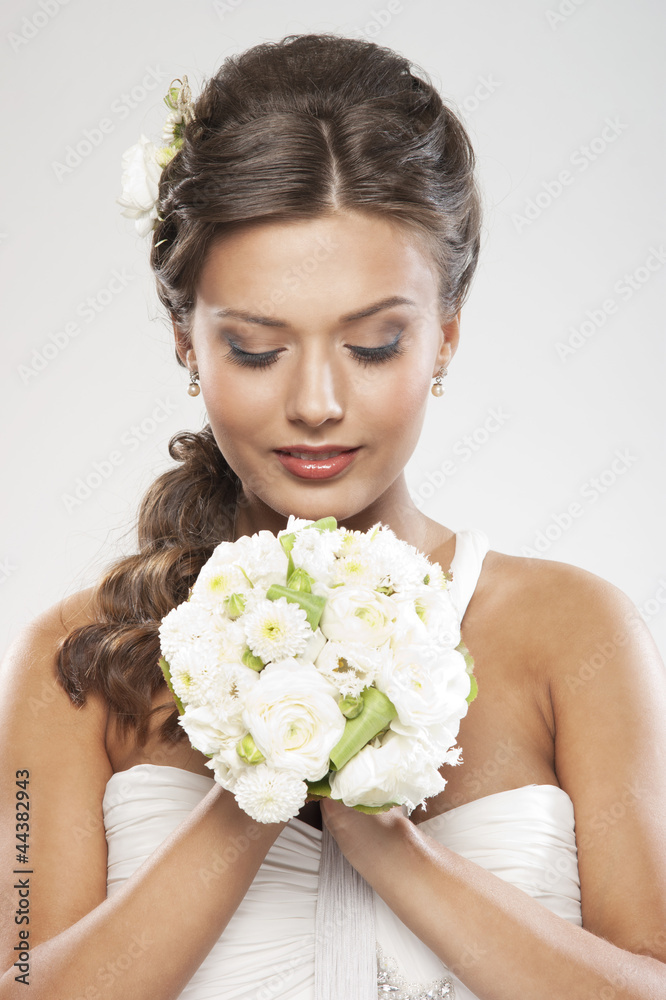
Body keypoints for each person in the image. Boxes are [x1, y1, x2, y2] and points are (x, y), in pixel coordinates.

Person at [1, 31, 665, 1000]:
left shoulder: (576, 634)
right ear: (189, 341)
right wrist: (270, 768)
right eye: (259, 349)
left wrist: (383, 834)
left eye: (373, 343)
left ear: (445, 333)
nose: (315, 401)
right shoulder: (75, 657)